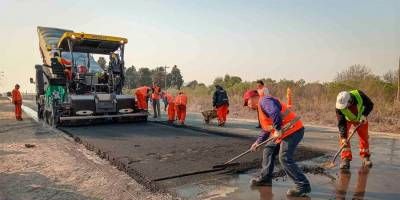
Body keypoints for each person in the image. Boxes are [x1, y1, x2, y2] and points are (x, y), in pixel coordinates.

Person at [243, 90, 310, 197]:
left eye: (247, 102)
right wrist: (258, 142)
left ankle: (303, 185)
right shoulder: (260, 109)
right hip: (283, 133)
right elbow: (266, 129)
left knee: (284, 157)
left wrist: (278, 129)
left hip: (293, 130)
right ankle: (265, 178)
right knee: (268, 149)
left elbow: (275, 112)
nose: (248, 106)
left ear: (252, 97)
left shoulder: (264, 101)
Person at [335, 90, 374, 169]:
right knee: (343, 139)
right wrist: (343, 137)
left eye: (345, 105)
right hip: (347, 120)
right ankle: (346, 159)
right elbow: (341, 123)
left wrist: (364, 115)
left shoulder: (359, 95)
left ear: (350, 101)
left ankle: (365, 157)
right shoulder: (339, 107)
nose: (344, 108)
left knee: (364, 137)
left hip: (361, 119)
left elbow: (370, 105)